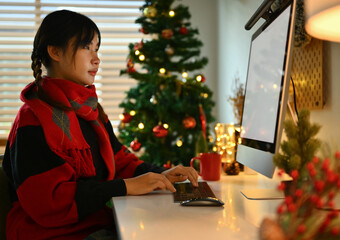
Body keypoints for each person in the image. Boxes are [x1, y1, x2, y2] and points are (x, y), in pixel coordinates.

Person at [2, 10, 198, 240]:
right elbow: (48, 201)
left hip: (97, 223)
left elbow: (120, 161)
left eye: (97, 49)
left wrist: (162, 174)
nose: (96, 59)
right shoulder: (33, 119)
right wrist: (124, 187)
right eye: (86, 47)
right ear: (55, 51)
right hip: (53, 234)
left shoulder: (91, 111)